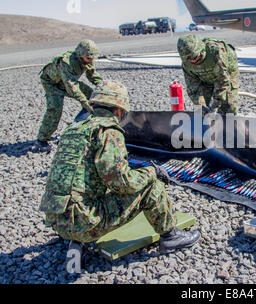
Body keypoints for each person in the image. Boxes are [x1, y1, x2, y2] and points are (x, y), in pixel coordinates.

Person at [38, 80, 201, 254]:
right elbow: (122, 182)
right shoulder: (108, 132)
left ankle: (75, 237)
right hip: (83, 224)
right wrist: (152, 171)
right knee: (152, 186)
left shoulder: (74, 129)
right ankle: (170, 237)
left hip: (57, 220)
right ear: (118, 109)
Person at [34, 39, 103, 153]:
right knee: (55, 110)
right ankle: (41, 140)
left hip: (67, 81)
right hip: (53, 84)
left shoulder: (88, 58)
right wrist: (86, 104)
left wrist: (103, 85)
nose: (91, 60)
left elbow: (92, 75)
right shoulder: (67, 63)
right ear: (80, 55)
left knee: (92, 96)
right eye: (88, 58)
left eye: (92, 58)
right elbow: (72, 89)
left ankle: (80, 125)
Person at [177, 34, 239, 114]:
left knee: (228, 104)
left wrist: (215, 105)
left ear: (201, 49)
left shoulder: (215, 52)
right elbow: (193, 88)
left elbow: (223, 81)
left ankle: (231, 124)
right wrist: (202, 107)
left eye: (195, 57)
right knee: (202, 110)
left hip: (226, 72)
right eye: (190, 60)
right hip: (205, 77)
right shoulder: (187, 63)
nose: (193, 61)